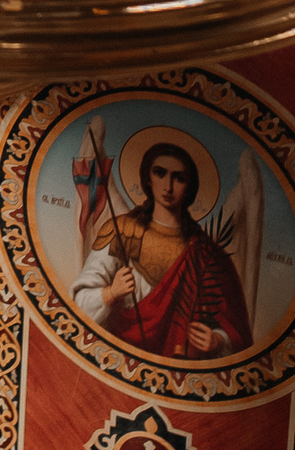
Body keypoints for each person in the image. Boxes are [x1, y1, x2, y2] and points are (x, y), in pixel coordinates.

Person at [71, 141, 253, 358]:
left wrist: (217, 340)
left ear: (189, 187)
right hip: (117, 357)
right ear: (148, 178)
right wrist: (111, 293)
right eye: (160, 173)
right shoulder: (123, 231)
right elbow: (79, 305)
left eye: (179, 178)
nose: (168, 186)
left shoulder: (205, 253)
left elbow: (237, 331)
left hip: (178, 370)